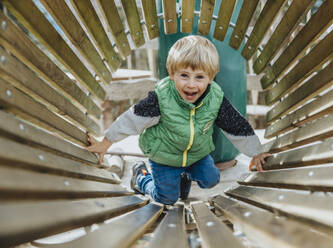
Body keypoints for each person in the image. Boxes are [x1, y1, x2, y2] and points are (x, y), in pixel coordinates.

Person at [86, 35, 271, 205]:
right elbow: (132, 119)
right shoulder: (161, 98)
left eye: (199, 77)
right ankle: (141, 177)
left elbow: (236, 126)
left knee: (211, 178)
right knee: (167, 198)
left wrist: (255, 152)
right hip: (164, 156)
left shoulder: (215, 99)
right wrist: (107, 142)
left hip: (195, 155)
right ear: (172, 73)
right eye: (184, 75)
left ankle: (182, 176)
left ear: (211, 78)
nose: (191, 84)